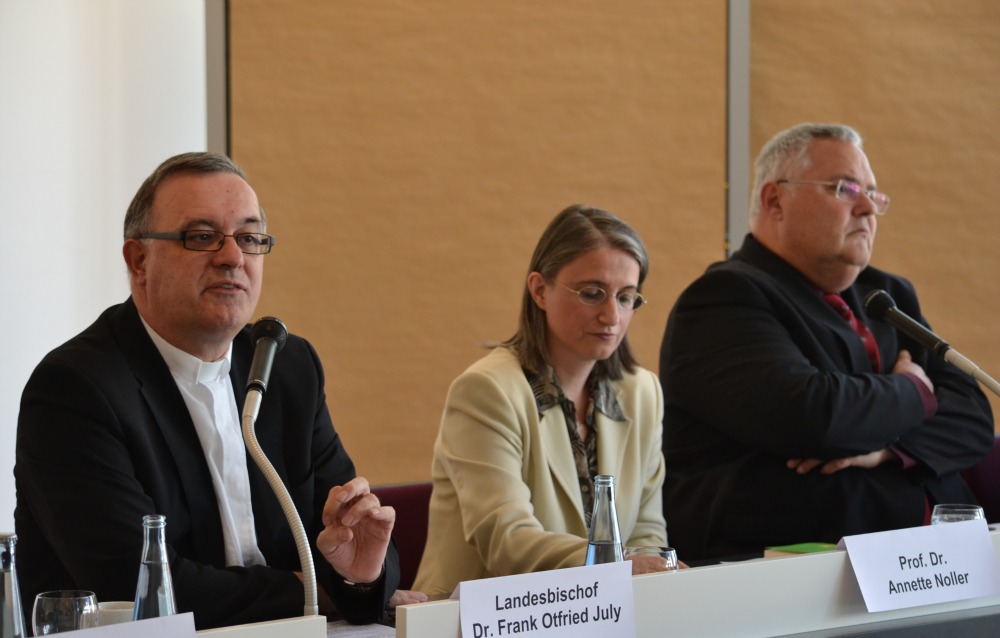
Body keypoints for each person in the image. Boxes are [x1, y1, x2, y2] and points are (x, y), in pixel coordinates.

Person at [14, 152, 403, 629]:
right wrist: (322, 593)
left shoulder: (285, 366)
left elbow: (353, 538)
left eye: (249, 238)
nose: (233, 257)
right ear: (139, 261)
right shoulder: (76, 389)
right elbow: (144, 588)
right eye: (201, 237)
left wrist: (362, 575)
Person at [659, 123, 995, 561]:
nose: (867, 209)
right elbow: (815, 417)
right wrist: (914, 389)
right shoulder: (723, 299)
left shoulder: (889, 295)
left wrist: (885, 449)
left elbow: (972, 417)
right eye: (844, 188)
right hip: (805, 576)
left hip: (943, 563)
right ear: (774, 200)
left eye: (872, 194)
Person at [413, 204, 668, 598]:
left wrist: (645, 571)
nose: (611, 316)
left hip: (597, 614)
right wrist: (617, 566)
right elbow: (508, 542)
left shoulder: (643, 393)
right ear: (539, 290)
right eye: (592, 293)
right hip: (481, 618)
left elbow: (648, 531)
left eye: (626, 297)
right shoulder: (487, 390)